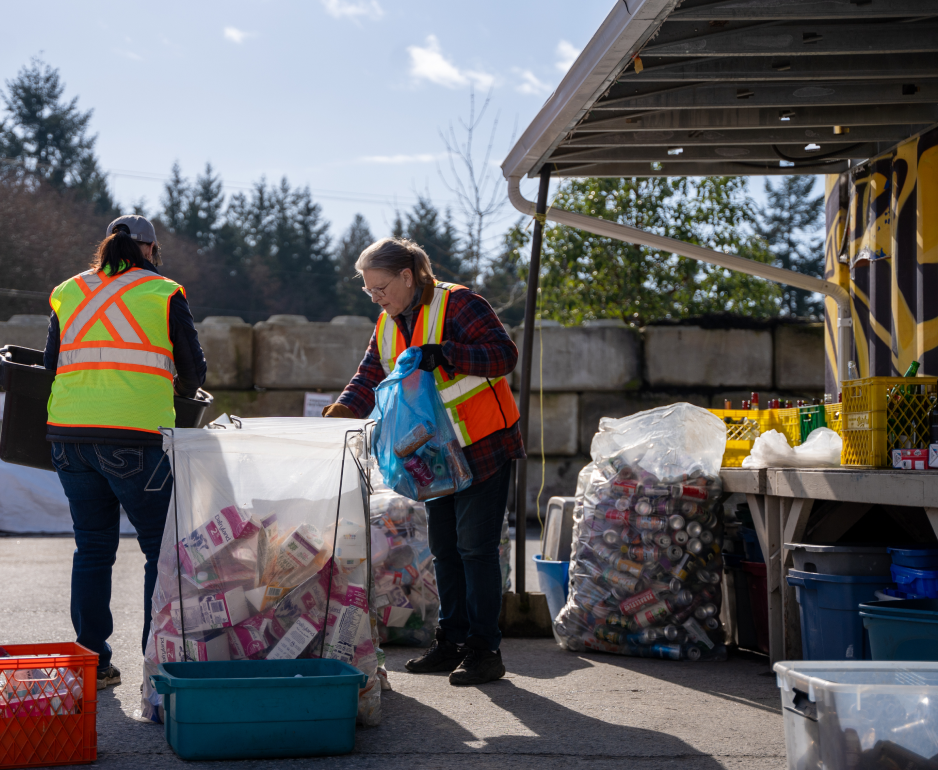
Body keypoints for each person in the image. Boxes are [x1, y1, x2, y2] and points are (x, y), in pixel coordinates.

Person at [324, 237, 524, 686]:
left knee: (475, 550)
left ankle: (484, 650)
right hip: (435, 456)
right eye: (369, 291)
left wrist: (447, 354)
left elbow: (504, 355)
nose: (376, 297)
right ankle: (451, 641)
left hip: (483, 444)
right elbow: (370, 375)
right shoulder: (387, 322)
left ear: (407, 277)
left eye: (380, 288)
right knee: (445, 550)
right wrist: (339, 412)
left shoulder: (460, 304)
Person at [43, 215, 206, 690]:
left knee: (92, 548)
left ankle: (92, 661)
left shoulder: (66, 291)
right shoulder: (163, 292)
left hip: (69, 435)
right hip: (135, 435)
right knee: (159, 547)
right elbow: (193, 375)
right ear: (150, 250)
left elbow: (52, 365)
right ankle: (156, 663)